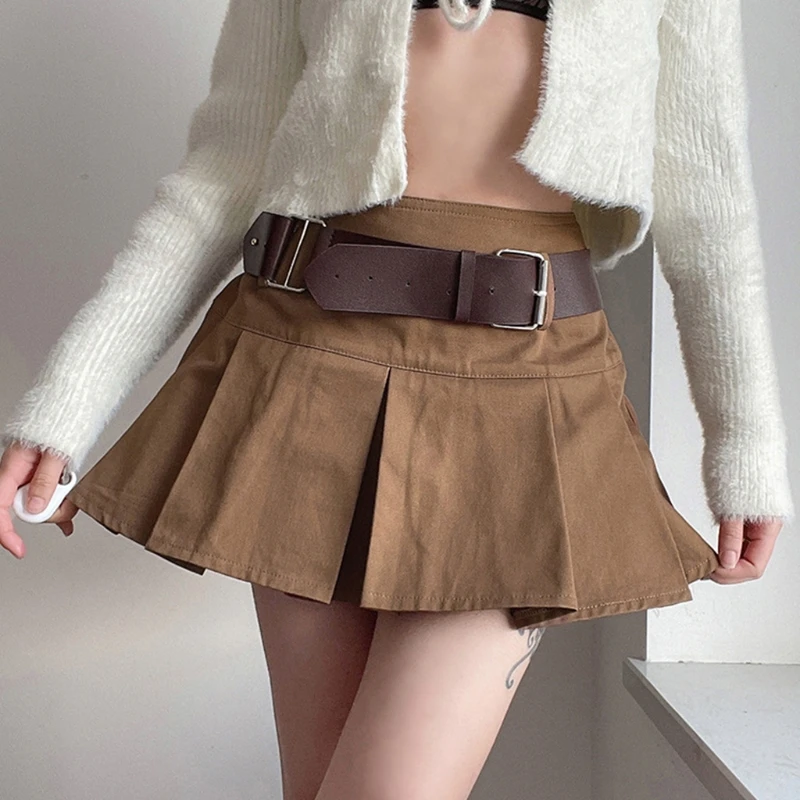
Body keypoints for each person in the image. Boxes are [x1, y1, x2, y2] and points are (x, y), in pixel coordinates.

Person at [1, 0, 794, 797]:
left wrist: (747, 445)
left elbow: (708, 199)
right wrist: (63, 408)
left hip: (524, 390)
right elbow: (224, 173)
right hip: (307, 359)